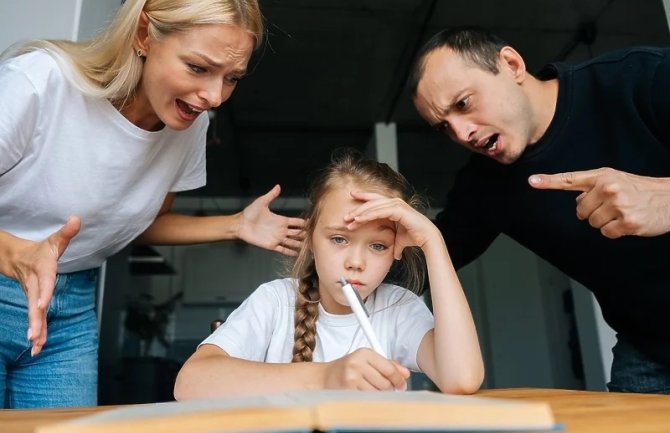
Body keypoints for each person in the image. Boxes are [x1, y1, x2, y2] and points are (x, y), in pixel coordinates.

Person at [0, 0, 305, 409]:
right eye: (198, 68)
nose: (214, 96)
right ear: (144, 35)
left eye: (231, 78)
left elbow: (141, 223)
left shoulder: (188, 128)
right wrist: (16, 252)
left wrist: (235, 225)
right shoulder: (42, 81)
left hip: (70, 307)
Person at [409, 26, 670, 394]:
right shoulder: (484, 185)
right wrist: (330, 240)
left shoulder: (642, 77)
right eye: (444, 127)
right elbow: (424, 258)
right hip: (649, 349)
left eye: (464, 103)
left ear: (512, 64)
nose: (462, 133)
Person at [173, 150, 484, 399]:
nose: (356, 262)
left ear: (395, 250)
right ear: (310, 239)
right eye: (339, 239)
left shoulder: (397, 308)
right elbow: (190, 383)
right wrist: (326, 376)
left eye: (378, 245)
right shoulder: (276, 302)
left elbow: (462, 379)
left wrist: (433, 242)